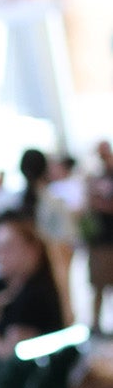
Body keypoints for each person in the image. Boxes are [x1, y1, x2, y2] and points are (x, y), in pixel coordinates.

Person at [0, 148, 79, 305]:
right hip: (19, 281)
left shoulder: (4, 199)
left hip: (39, 280)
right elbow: (68, 240)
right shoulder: (53, 203)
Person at [0, 213, 69, 346]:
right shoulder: (4, 285)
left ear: (32, 250)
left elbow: (7, 354)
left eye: (8, 248)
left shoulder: (37, 296)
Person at [84, 141, 113, 333]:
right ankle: (95, 324)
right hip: (99, 241)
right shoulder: (95, 177)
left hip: (109, 239)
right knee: (98, 286)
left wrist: (100, 204)